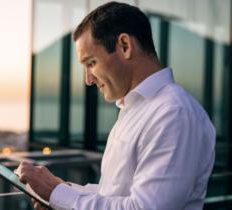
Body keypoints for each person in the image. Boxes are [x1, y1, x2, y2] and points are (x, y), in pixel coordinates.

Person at [15, 1, 215, 210]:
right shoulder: (135, 110)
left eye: (91, 63)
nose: (88, 79)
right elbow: (111, 193)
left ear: (125, 46)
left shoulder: (173, 113)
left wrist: (56, 194)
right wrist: (61, 189)